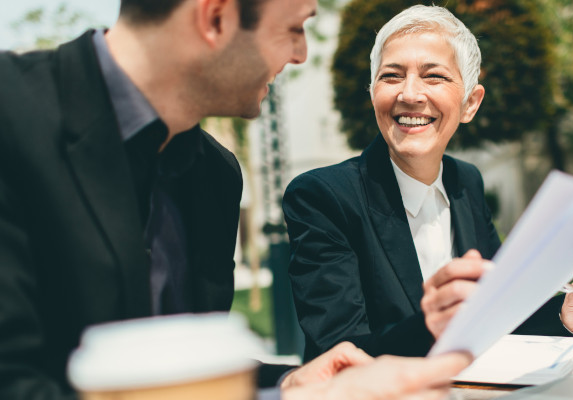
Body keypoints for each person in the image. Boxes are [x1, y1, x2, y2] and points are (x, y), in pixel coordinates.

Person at [0, 0, 470, 399]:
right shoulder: (10, 116)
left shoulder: (215, 175)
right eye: (293, 29)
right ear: (216, 18)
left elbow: (185, 371)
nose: (302, 54)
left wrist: (291, 384)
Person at [283, 5, 573, 361]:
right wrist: (438, 325)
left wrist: (567, 318)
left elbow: (498, 309)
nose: (409, 94)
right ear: (373, 93)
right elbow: (338, 354)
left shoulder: (465, 182)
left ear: (470, 103)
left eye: (434, 76)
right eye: (392, 76)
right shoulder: (322, 197)